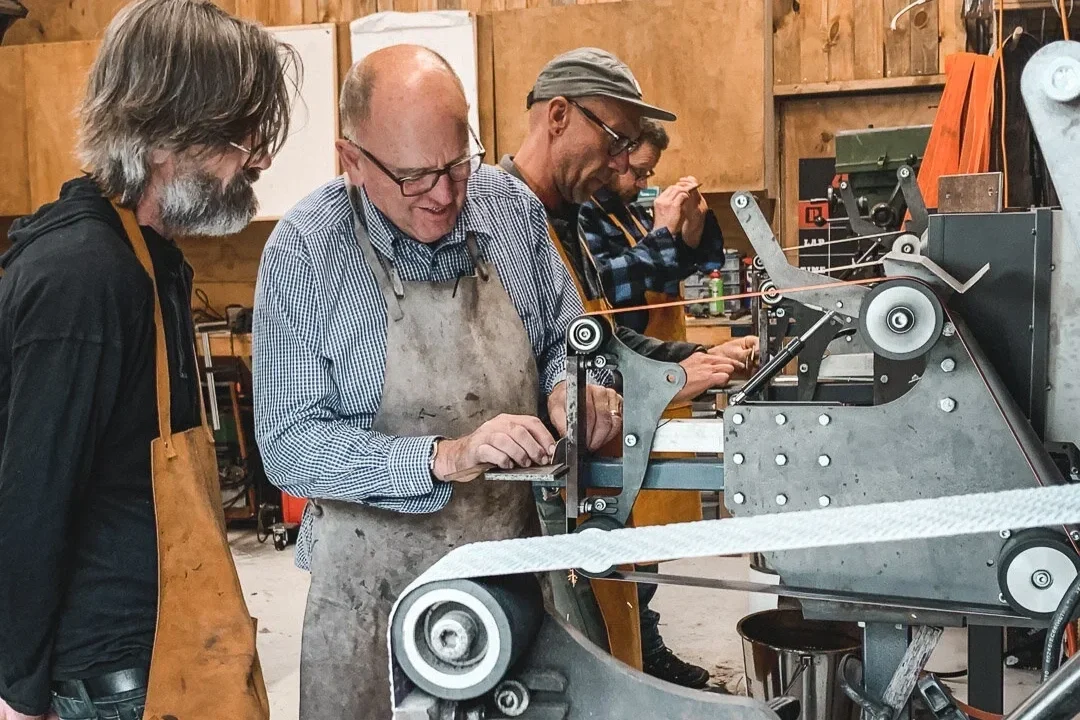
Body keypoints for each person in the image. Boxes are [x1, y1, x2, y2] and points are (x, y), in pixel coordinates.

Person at [251, 45, 622, 720]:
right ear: (352, 160)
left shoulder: (510, 210)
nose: (447, 194)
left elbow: (572, 345)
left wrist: (577, 389)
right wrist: (444, 457)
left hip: (511, 581)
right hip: (368, 601)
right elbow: (288, 446)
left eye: (457, 163)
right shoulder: (305, 251)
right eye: (418, 177)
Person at [0, 2, 298, 720]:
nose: (258, 156)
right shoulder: (86, 274)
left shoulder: (146, 260)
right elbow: (29, 502)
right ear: (169, 129)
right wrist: (15, 693)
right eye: (242, 133)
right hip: (112, 687)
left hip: (167, 658)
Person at [500, 47, 758, 690]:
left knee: (609, 653)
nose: (623, 161)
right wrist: (678, 375)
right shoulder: (499, 214)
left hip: (584, 476)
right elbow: (529, 374)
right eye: (615, 138)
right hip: (536, 493)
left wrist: (684, 360)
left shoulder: (565, 219)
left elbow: (598, 339)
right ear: (558, 115)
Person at [578, 119, 728, 336]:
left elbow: (668, 271)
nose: (643, 185)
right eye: (638, 173)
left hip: (664, 353)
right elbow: (604, 285)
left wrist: (694, 225)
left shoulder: (632, 212)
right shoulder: (584, 215)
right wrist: (659, 236)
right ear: (615, 157)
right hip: (625, 358)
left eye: (647, 174)